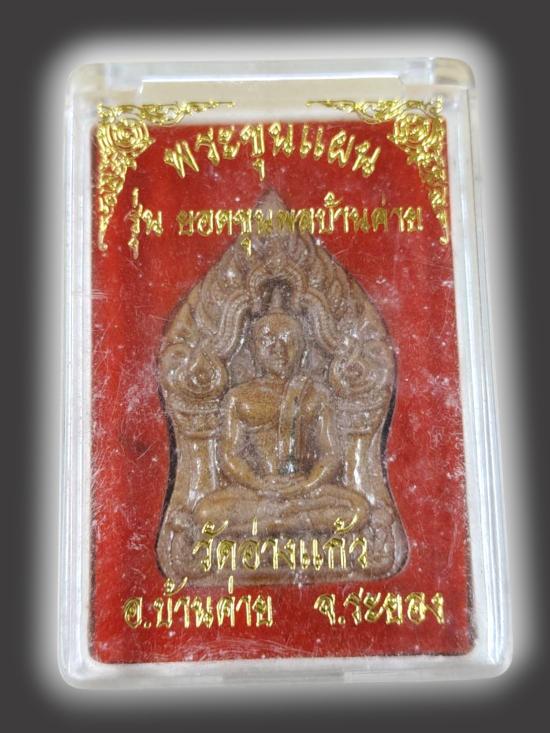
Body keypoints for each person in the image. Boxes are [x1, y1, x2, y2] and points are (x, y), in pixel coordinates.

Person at [193, 291, 370, 534]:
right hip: (257, 492)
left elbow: (330, 454)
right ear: (252, 348)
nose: (279, 348)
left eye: (289, 339)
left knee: (357, 508)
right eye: (268, 340)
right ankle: (289, 522)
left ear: (302, 347)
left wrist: (306, 485)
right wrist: (259, 484)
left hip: (305, 490)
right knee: (205, 512)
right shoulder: (238, 396)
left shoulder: (316, 394)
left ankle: (270, 524)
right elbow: (229, 455)